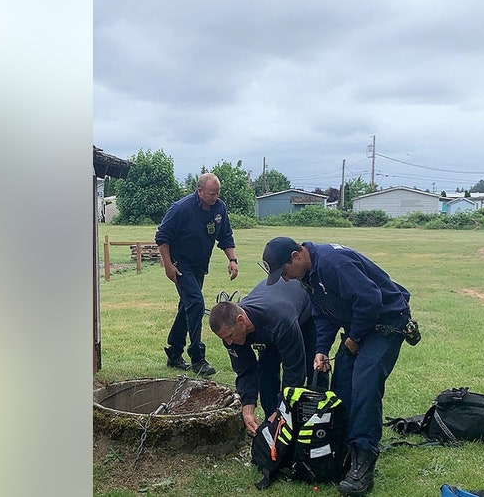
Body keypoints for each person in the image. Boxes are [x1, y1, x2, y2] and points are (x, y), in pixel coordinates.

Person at [261, 237, 413, 496]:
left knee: (364, 382)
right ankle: (341, 451)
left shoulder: (333, 263)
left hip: (387, 322)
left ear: (296, 256)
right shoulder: (308, 276)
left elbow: (371, 299)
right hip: (360, 325)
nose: (286, 279)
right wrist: (321, 349)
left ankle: (363, 459)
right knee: (341, 385)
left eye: (284, 272)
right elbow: (324, 314)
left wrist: (353, 339)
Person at [208, 278, 325, 434]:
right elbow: (245, 370)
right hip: (270, 315)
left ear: (241, 320)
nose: (229, 342)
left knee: (312, 364)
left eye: (230, 336)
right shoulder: (231, 334)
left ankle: (316, 420)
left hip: (304, 309)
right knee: (267, 367)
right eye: (224, 338)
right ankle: (273, 423)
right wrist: (248, 407)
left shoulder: (281, 321)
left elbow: (294, 369)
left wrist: (282, 409)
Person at [155, 172, 238, 376]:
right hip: (180, 263)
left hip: (200, 265)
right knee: (196, 304)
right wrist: (168, 266)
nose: (215, 197)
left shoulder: (219, 208)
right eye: (211, 193)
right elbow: (162, 238)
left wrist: (232, 260)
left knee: (187, 306)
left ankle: (174, 353)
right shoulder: (181, 209)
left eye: (217, 193)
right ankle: (197, 358)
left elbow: (225, 235)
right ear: (199, 191)